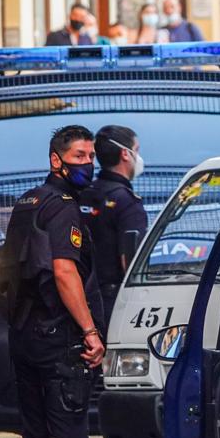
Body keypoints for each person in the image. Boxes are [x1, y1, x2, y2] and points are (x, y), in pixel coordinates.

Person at [0, 125, 107, 438]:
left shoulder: (29, 202)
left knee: (36, 437)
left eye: (91, 156)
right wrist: (90, 332)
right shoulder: (62, 208)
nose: (87, 164)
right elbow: (64, 273)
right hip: (59, 339)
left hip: (26, 336)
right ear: (56, 159)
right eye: (78, 156)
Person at [82, 125, 148, 324]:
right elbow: (130, 263)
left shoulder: (83, 194)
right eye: (136, 150)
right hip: (113, 302)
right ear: (125, 154)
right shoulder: (127, 201)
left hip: (78, 299)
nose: (138, 157)